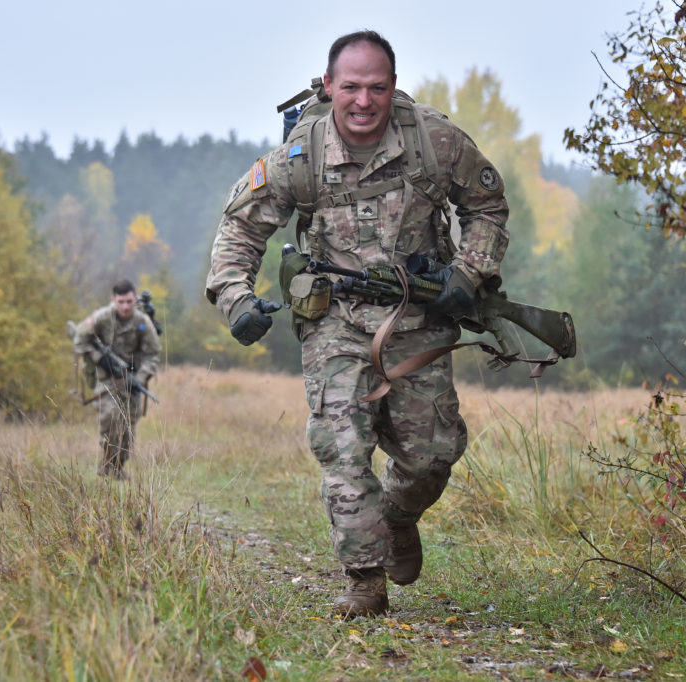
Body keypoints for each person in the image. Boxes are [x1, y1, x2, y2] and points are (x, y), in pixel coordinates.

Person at [205, 30, 509, 617]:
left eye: (376, 87)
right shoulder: (301, 157)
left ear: (393, 88)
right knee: (341, 447)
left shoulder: (435, 140)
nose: (363, 101)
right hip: (336, 319)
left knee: (433, 455)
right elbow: (240, 228)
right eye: (350, 87)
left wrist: (469, 274)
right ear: (328, 87)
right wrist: (235, 297)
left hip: (418, 316)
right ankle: (365, 581)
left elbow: (487, 207)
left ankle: (397, 518)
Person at [73, 279, 161, 480]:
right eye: (121, 302)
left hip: (133, 382)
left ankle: (117, 468)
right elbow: (80, 339)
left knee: (128, 429)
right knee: (111, 418)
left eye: (129, 301)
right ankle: (105, 466)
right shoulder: (102, 317)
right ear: (113, 300)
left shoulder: (142, 322)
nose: (125, 306)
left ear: (135, 299)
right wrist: (99, 358)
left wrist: (139, 378)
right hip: (107, 380)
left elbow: (153, 355)